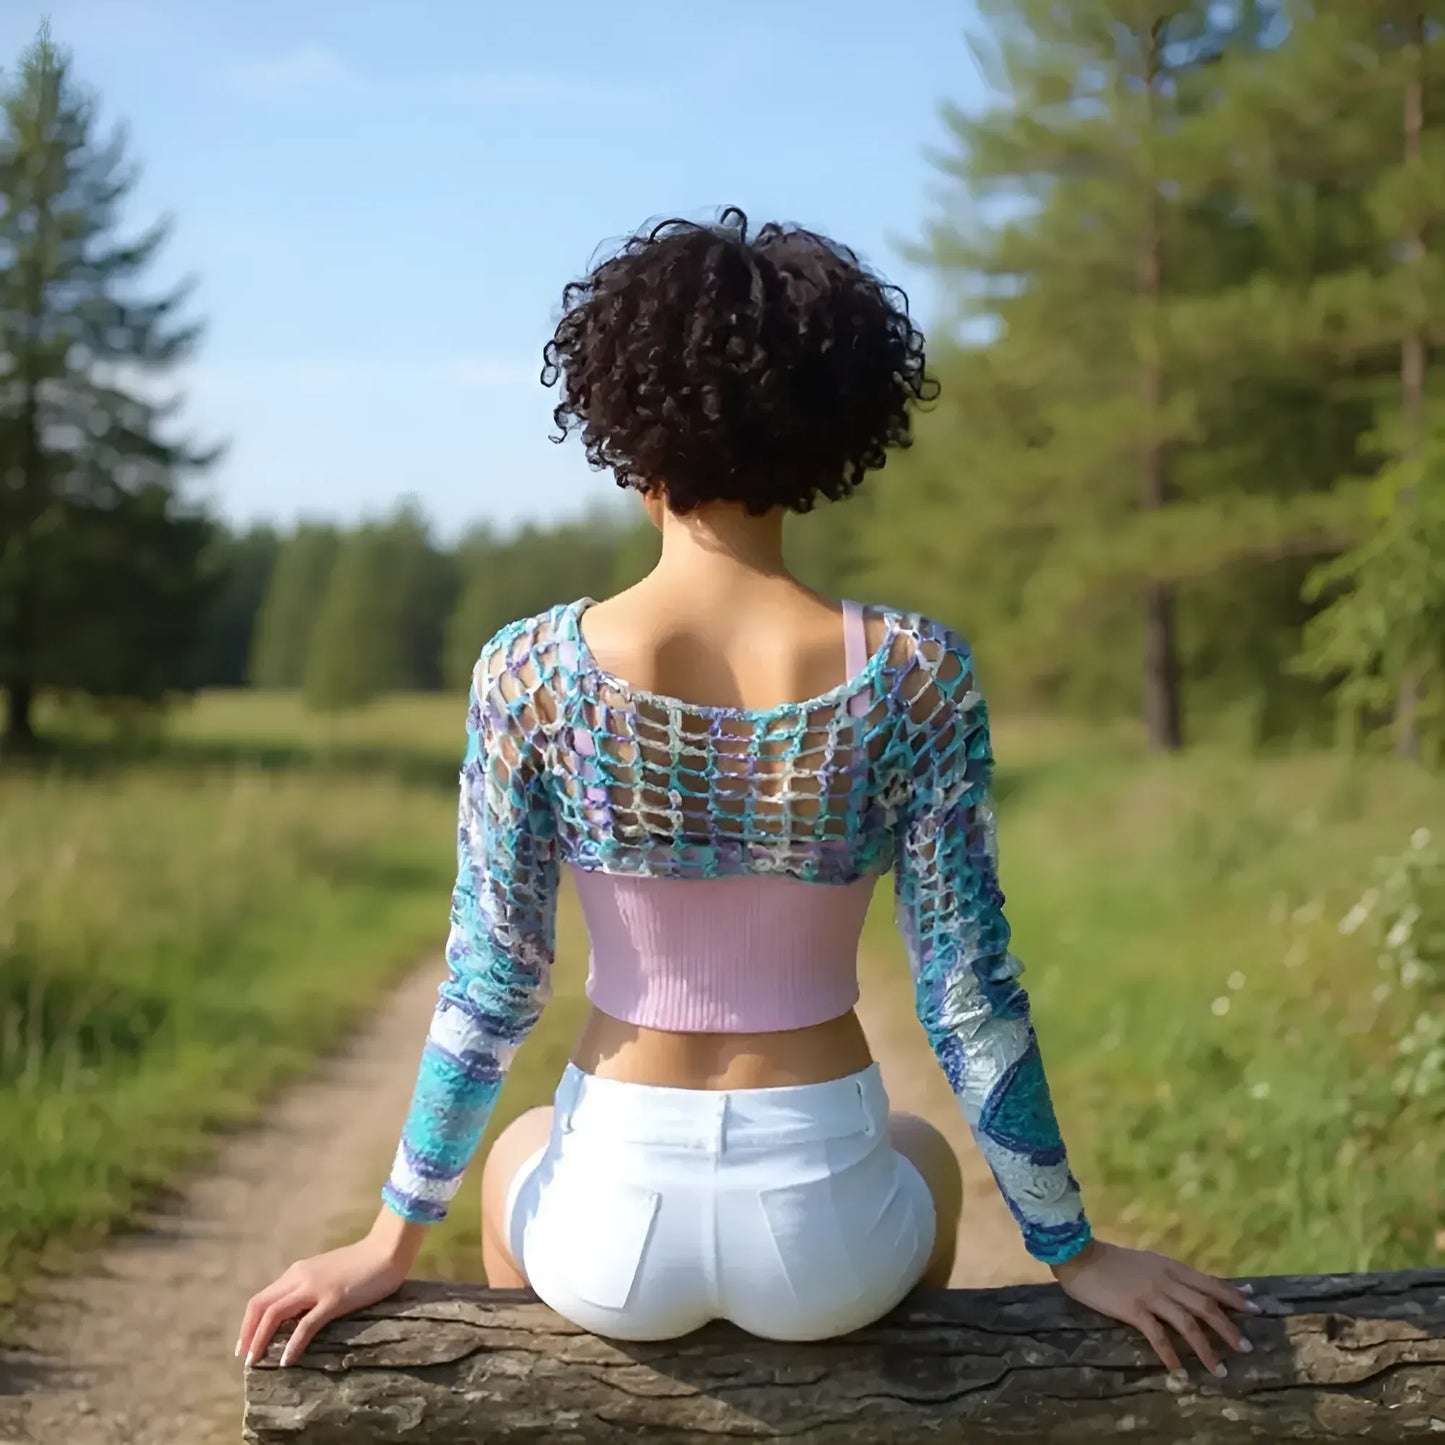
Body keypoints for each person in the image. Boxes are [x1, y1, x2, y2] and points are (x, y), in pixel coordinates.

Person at [237, 207, 1257, 1378]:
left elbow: (492, 976)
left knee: (527, 1142)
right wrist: (1072, 1249)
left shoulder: (527, 672)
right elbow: (964, 990)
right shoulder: (915, 673)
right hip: (824, 1236)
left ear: (626, 429)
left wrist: (387, 1240)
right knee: (916, 1147)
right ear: (829, 429)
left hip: (607, 1228)